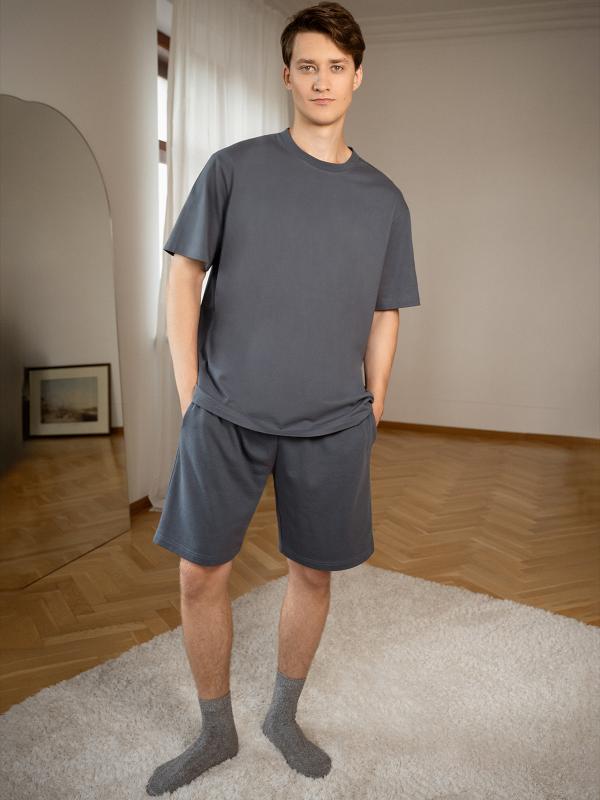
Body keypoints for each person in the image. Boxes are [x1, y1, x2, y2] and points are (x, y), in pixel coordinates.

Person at [146, 1, 420, 795]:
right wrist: (191, 391)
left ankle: (281, 715)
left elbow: (386, 310)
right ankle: (215, 730)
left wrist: (375, 404)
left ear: (358, 77)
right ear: (287, 76)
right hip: (225, 413)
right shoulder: (233, 169)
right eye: (307, 66)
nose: (321, 80)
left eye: (336, 67)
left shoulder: (384, 199)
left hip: (332, 424)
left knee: (314, 574)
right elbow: (183, 275)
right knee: (199, 575)